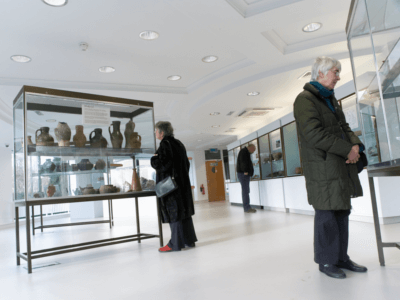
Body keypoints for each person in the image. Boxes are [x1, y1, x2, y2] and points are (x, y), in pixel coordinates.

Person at [293, 56, 368, 279]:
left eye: (338, 72)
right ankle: (326, 262)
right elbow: (314, 134)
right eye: (335, 71)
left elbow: (344, 126)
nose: (338, 76)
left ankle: (341, 258)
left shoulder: (331, 99)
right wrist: (347, 150)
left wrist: (355, 145)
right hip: (323, 170)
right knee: (326, 216)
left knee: (342, 212)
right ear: (320, 73)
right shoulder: (304, 99)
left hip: (339, 167)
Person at [151, 121, 197, 252]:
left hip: (171, 187)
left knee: (174, 213)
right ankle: (189, 240)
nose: (155, 133)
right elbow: (186, 165)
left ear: (162, 132)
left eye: (156, 131)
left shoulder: (165, 144)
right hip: (182, 185)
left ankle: (174, 244)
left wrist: (154, 159)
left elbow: (164, 164)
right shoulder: (179, 143)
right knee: (184, 213)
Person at [236, 144, 257, 213]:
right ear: (250, 148)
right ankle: (247, 208)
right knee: (245, 192)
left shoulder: (245, 152)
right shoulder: (244, 152)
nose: (253, 152)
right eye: (253, 150)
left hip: (244, 174)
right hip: (243, 174)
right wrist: (246, 171)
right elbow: (243, 163)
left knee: (246, 191)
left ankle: (247, 207)